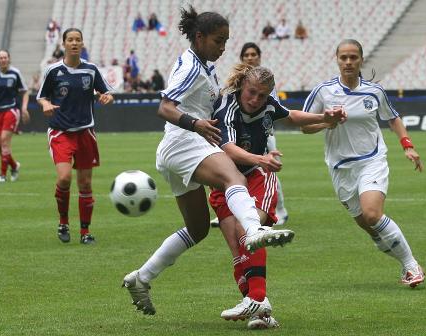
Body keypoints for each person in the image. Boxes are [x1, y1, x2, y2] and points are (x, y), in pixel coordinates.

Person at [122, 6, 295, 316]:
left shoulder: (203, 65)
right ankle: (254, 229)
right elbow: (164, 107)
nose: (224, 47)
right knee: (235, 178)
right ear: (199, 37)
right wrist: (196, 123)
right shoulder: (191, 66)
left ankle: (141, 277)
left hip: (175, 150)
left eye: (226, 40)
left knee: (198, 228)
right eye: (219, 40)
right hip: (184, 141)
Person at [210, 63, 346, 329]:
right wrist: (262, 157)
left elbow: (292, 116)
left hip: (257, 178)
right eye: (251, 92)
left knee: (246, 231)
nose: (255, 100)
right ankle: (261, 313)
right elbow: (227, 148)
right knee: (238, 253)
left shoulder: (268, 105)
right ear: (241, 87)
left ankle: (258, 298)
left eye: (262, 95)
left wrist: (324, 118)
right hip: (223, 183)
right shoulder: (228, 107)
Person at [301, 39, 425, 287]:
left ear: (361, 60)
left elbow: (393, 118)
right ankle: (404, 264)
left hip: (371, 161)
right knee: (369, 227)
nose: (348, 62)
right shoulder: (323, 91)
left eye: (353, 57)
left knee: (372, 214)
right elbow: (304, 125)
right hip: (340, 167)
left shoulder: (374, 91)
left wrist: (407, 145)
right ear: (336, 59)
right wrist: (328, 122)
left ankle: (412, 266)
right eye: (343, 57)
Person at [37, 28, 114, 245]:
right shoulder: (53, 71)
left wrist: (106, 97)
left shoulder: (91, 69)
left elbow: (105, 92)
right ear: (64, 44)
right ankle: (63, 222)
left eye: (77, 40)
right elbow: (41, 97)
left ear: (82, 44)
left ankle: (85, 232)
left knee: (85, 184)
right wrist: (45, 105)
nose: (74, 43)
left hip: (85, 132)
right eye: (70, 40)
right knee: (64, 178)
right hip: (60, 131)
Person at [210, 42, 289, 228]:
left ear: (259, 57)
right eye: (247, 54)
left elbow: (276, 110)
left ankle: (278, 209)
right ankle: (234, 210)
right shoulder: (237, 89)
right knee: (230, 167)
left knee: (266, 170)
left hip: (263, 132)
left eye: (254, 54)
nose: (250, 57)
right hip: (241, 132)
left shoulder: (268, 82)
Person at [0, 50, 30, 182]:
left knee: (4, 141)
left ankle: (2, 175)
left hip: (11, 110)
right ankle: (14, 166)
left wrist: (24, 108)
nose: (3, 60)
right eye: (0, 58)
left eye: (5, 57)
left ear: (9, 59)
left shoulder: (15, 73)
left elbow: (25, 92)